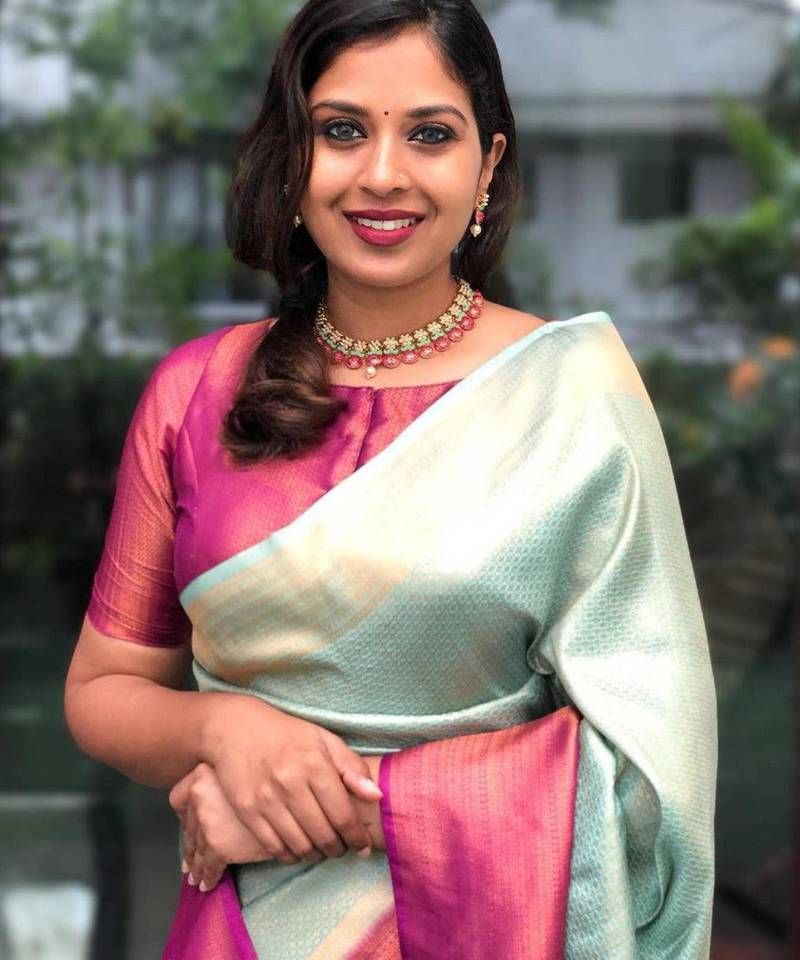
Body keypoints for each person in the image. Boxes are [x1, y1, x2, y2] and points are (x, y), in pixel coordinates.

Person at [63, 0, 719, 957]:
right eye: (341, 131)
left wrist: (356, 810)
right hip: (245, 929)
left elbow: (656, 759)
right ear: (293, 156)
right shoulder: (196, 395)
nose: (382, 174)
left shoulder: (571, 397)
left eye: (430, 134)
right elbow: (104, 687)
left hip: (492, 924)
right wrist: (225, 733)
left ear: (487, 166)